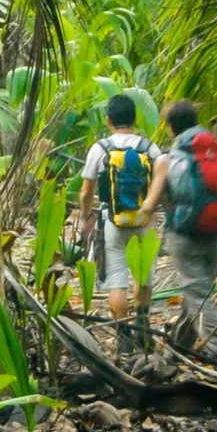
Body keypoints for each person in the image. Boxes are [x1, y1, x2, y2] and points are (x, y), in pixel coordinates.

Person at [136, 99, 217, 362]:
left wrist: (135, 215)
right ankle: (178, 348)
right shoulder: (216, 154)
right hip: (216, 230)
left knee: (197, 292)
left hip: (183, 232)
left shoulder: (168, 158)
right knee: (199, 289)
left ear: (171, 128)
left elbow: (151, 203)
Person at [75, 93, 161, 328]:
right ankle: (143, 328)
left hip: (112, 221)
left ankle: (123, 336)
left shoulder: (100, 148)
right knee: (143, 276)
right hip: (145, 220)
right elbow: (161, 181)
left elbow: (85, 192)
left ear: (108, 120)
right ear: (135, 119)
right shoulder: (149, 148)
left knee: (117, 280)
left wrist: (85, 218)